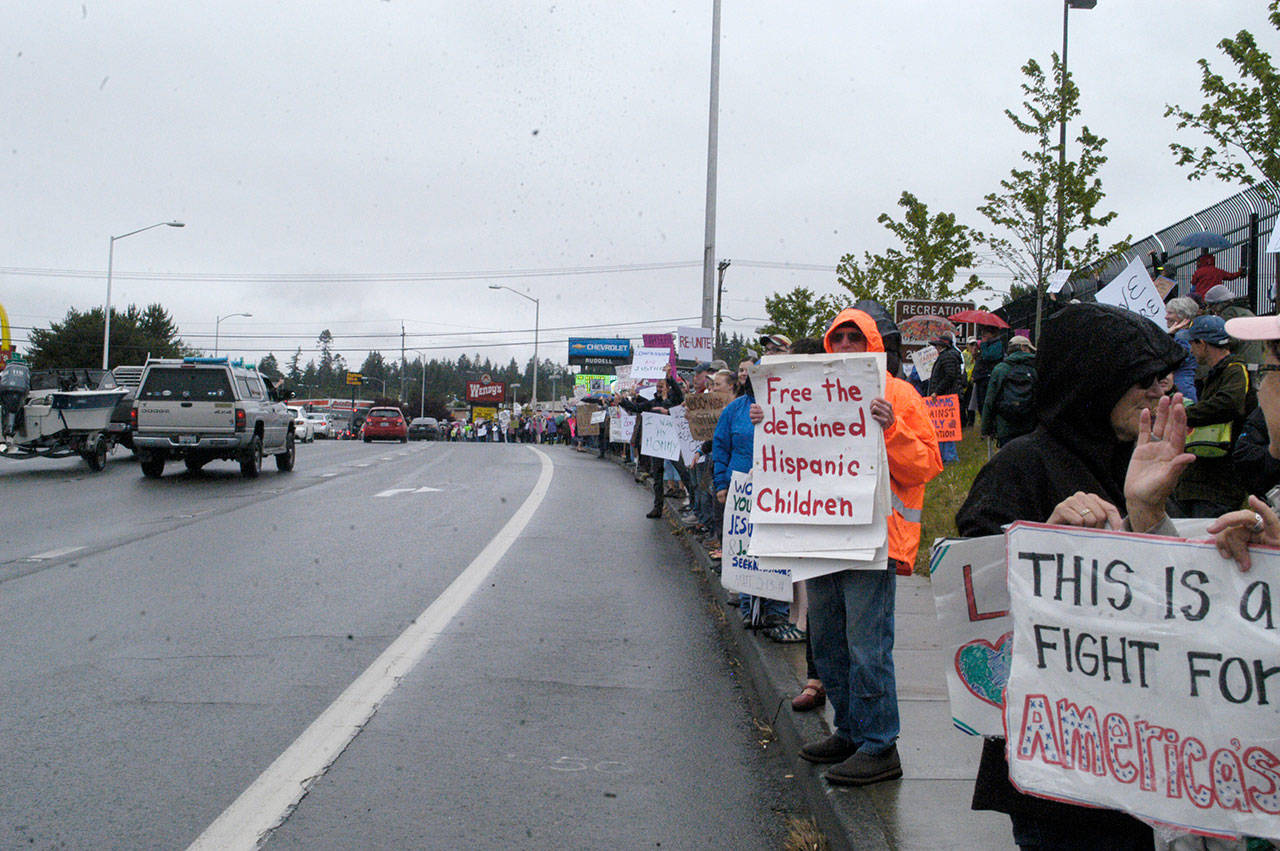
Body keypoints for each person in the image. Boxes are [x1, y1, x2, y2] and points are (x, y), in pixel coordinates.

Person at [957, 302, 1194, 850]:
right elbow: (976, 593)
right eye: (1143, 382)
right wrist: (1045, 537)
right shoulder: (1021, 465)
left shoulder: (1144, 459)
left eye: (1164, 380)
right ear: (1094, 381)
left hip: (1136, 748)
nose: (1160, 394)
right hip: (1060, 762)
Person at [755, 308, 941, 787]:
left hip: (873, 543)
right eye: (837, 340)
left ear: (874, 344)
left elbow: (926, 465)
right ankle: (852, 732)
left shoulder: (899, 394)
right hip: (822, 536)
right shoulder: (811, 388)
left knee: (867, 647)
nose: (844, 349)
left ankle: (881, 745)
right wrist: (768, 416)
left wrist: (892, 428)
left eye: (855, 340)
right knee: (831, 644)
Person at [713, 360, 789, 630]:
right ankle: (748, 606)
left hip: (779, 490)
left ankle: (777, 608)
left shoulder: (788, 407)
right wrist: (721, 484)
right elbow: (721, 448)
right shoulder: (734, 410)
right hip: (742, 489)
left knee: (776, 548)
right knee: (746, 547)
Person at [1173, 315, 1254, 518]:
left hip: (1220, 484)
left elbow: (1229, 403)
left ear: (1203, 344)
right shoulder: (1217, 373)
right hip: (1205, 479)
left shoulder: (1235, 370)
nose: (1190, 350)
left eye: (1192, 343)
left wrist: (1184, 415)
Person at [619, 375, 683, 518]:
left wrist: (670, 381)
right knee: (657, 478)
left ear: (668, 388)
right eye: (658, 387)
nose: (659, 389)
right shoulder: (652, 403)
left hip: (672, 446)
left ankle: (690, 502)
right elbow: (636, 408)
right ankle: (657, 507)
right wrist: (622, 401)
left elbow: (678, 397)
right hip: (657, 446)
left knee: (682, 472)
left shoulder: (674, 402)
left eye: (662, 386)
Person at [980, 334, 1038, 448]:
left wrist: (985, 429)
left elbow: (989, 401)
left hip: (1005, 427)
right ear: (1024, 348)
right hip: (1030, 426)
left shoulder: (1000, 369)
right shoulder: (1035, 368)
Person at [1204, 284, 1266, 370]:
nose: (1213, 310)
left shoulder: (1229, 313)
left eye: (1212, 306)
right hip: (1257, 359)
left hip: (1243, 361)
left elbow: (1228, 339)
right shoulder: (1244, 311)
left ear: (1219, 303)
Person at [928, 335, 964, 463]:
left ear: (942, 346)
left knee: (946, 429)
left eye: (937, 345)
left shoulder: (947, 356)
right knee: (945, 429)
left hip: (946, 396)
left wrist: (937, 391)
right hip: (947, 396)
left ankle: (949, 456)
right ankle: (946, 456)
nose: (935, 348)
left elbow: (949, 376)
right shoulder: (949, 356)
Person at [1165, 296, 1200, 401]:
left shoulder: (1181, 336)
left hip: (1180, 387)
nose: (1166, 317)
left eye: (1170, 313)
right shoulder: (1187, 333)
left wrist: (1168, 336)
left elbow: (1171, 359)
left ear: (1182, 316)